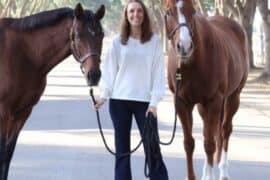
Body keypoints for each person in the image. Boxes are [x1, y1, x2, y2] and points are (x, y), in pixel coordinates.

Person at [94, 0, 169, 180]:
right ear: (126, 16)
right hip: (119, 102)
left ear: (144, 14)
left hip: (145, 104)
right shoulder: (118, 42)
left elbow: (158, 75)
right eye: (132, 11)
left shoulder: (154, 42)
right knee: (122, 150)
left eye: (139, 11)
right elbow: (110, 70)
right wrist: (103, 95)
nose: (136, 14)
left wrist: (154, 103)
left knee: (152, 148)